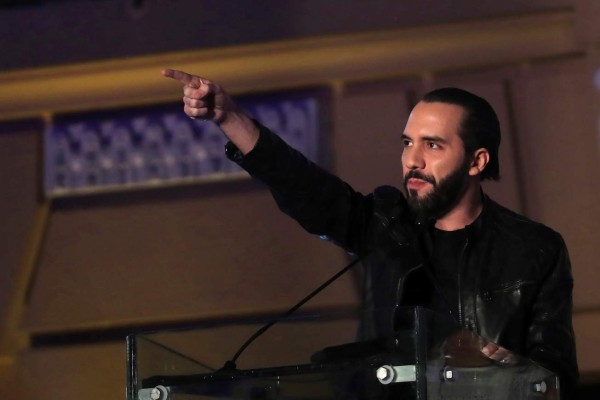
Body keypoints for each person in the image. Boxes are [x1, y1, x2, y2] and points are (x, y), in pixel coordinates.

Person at [162, 69, 578, 396]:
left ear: (477, 161)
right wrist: (229, 117)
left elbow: (557, 376)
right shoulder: (386, 225)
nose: (412, 159)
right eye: (407, 142)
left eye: (432, 145)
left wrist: (510, 372)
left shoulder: (534, 248)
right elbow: (303, 186)